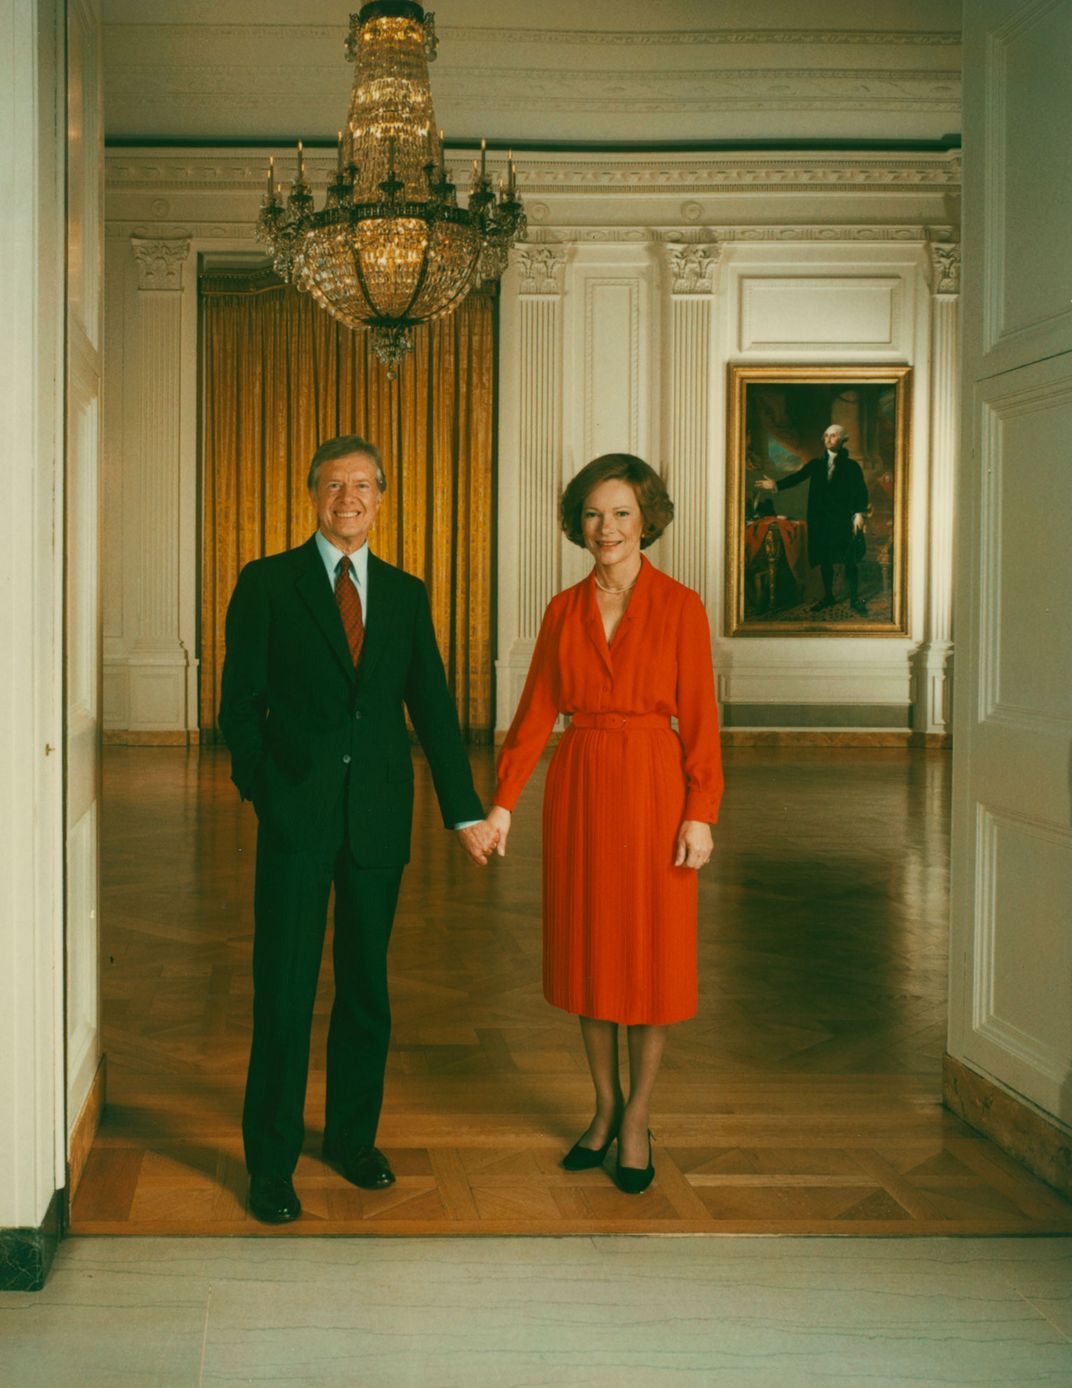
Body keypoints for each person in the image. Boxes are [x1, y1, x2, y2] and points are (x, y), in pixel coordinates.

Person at [219, 434, 497, 1224]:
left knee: (366, 989)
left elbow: (434, 711)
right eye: (334, 485)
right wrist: (266, 790)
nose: (349, 498)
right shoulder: (268, 583)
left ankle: (350, 1139)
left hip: (379, 819)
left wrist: (464, 809)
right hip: (296, 818)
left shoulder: (406, 594)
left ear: (383, 498)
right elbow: (239, 707)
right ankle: (270, 1164)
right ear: (312, 495)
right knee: (285, 990)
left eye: (364, 485)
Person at [484, 454, 723, 1194]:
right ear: (577, 524)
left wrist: (701, 813)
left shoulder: (681, 606)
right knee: (591, 959)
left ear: (647, 518)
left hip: (655, 788)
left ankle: (637, 1119)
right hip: (581, 785)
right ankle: (604, 1104)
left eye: (621, 512)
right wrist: (501, 804)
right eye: (593, 513)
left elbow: (705, 723)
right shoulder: (562, 610)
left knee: (649, 965)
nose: (607, 527)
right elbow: (531, 719)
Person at [757, 423, 869, 615]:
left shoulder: (852, 467)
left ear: (843, 440)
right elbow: (797, 477)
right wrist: (776, 484)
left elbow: (860, 491)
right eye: (826, 435)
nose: (828, 439)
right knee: (824, 559)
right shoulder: (816, 464)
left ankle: (854, 598)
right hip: (822, 521)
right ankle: (828, 596)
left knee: (849, 560)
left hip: (843, 520)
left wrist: (859, 513)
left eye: (833, 436)